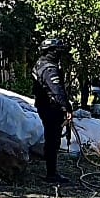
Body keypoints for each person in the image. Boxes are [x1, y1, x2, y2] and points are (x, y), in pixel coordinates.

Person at [32, 38, 74, 184]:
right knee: (52, 140)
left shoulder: (40, 64)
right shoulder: (50, 68)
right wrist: (66, 108)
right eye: (57, 51)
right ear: (50, 51)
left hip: (44, 106)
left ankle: (51, 171)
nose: (59, 54)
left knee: (51, 139)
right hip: (51, 108)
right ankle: (51, 174)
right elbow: (57, 91)